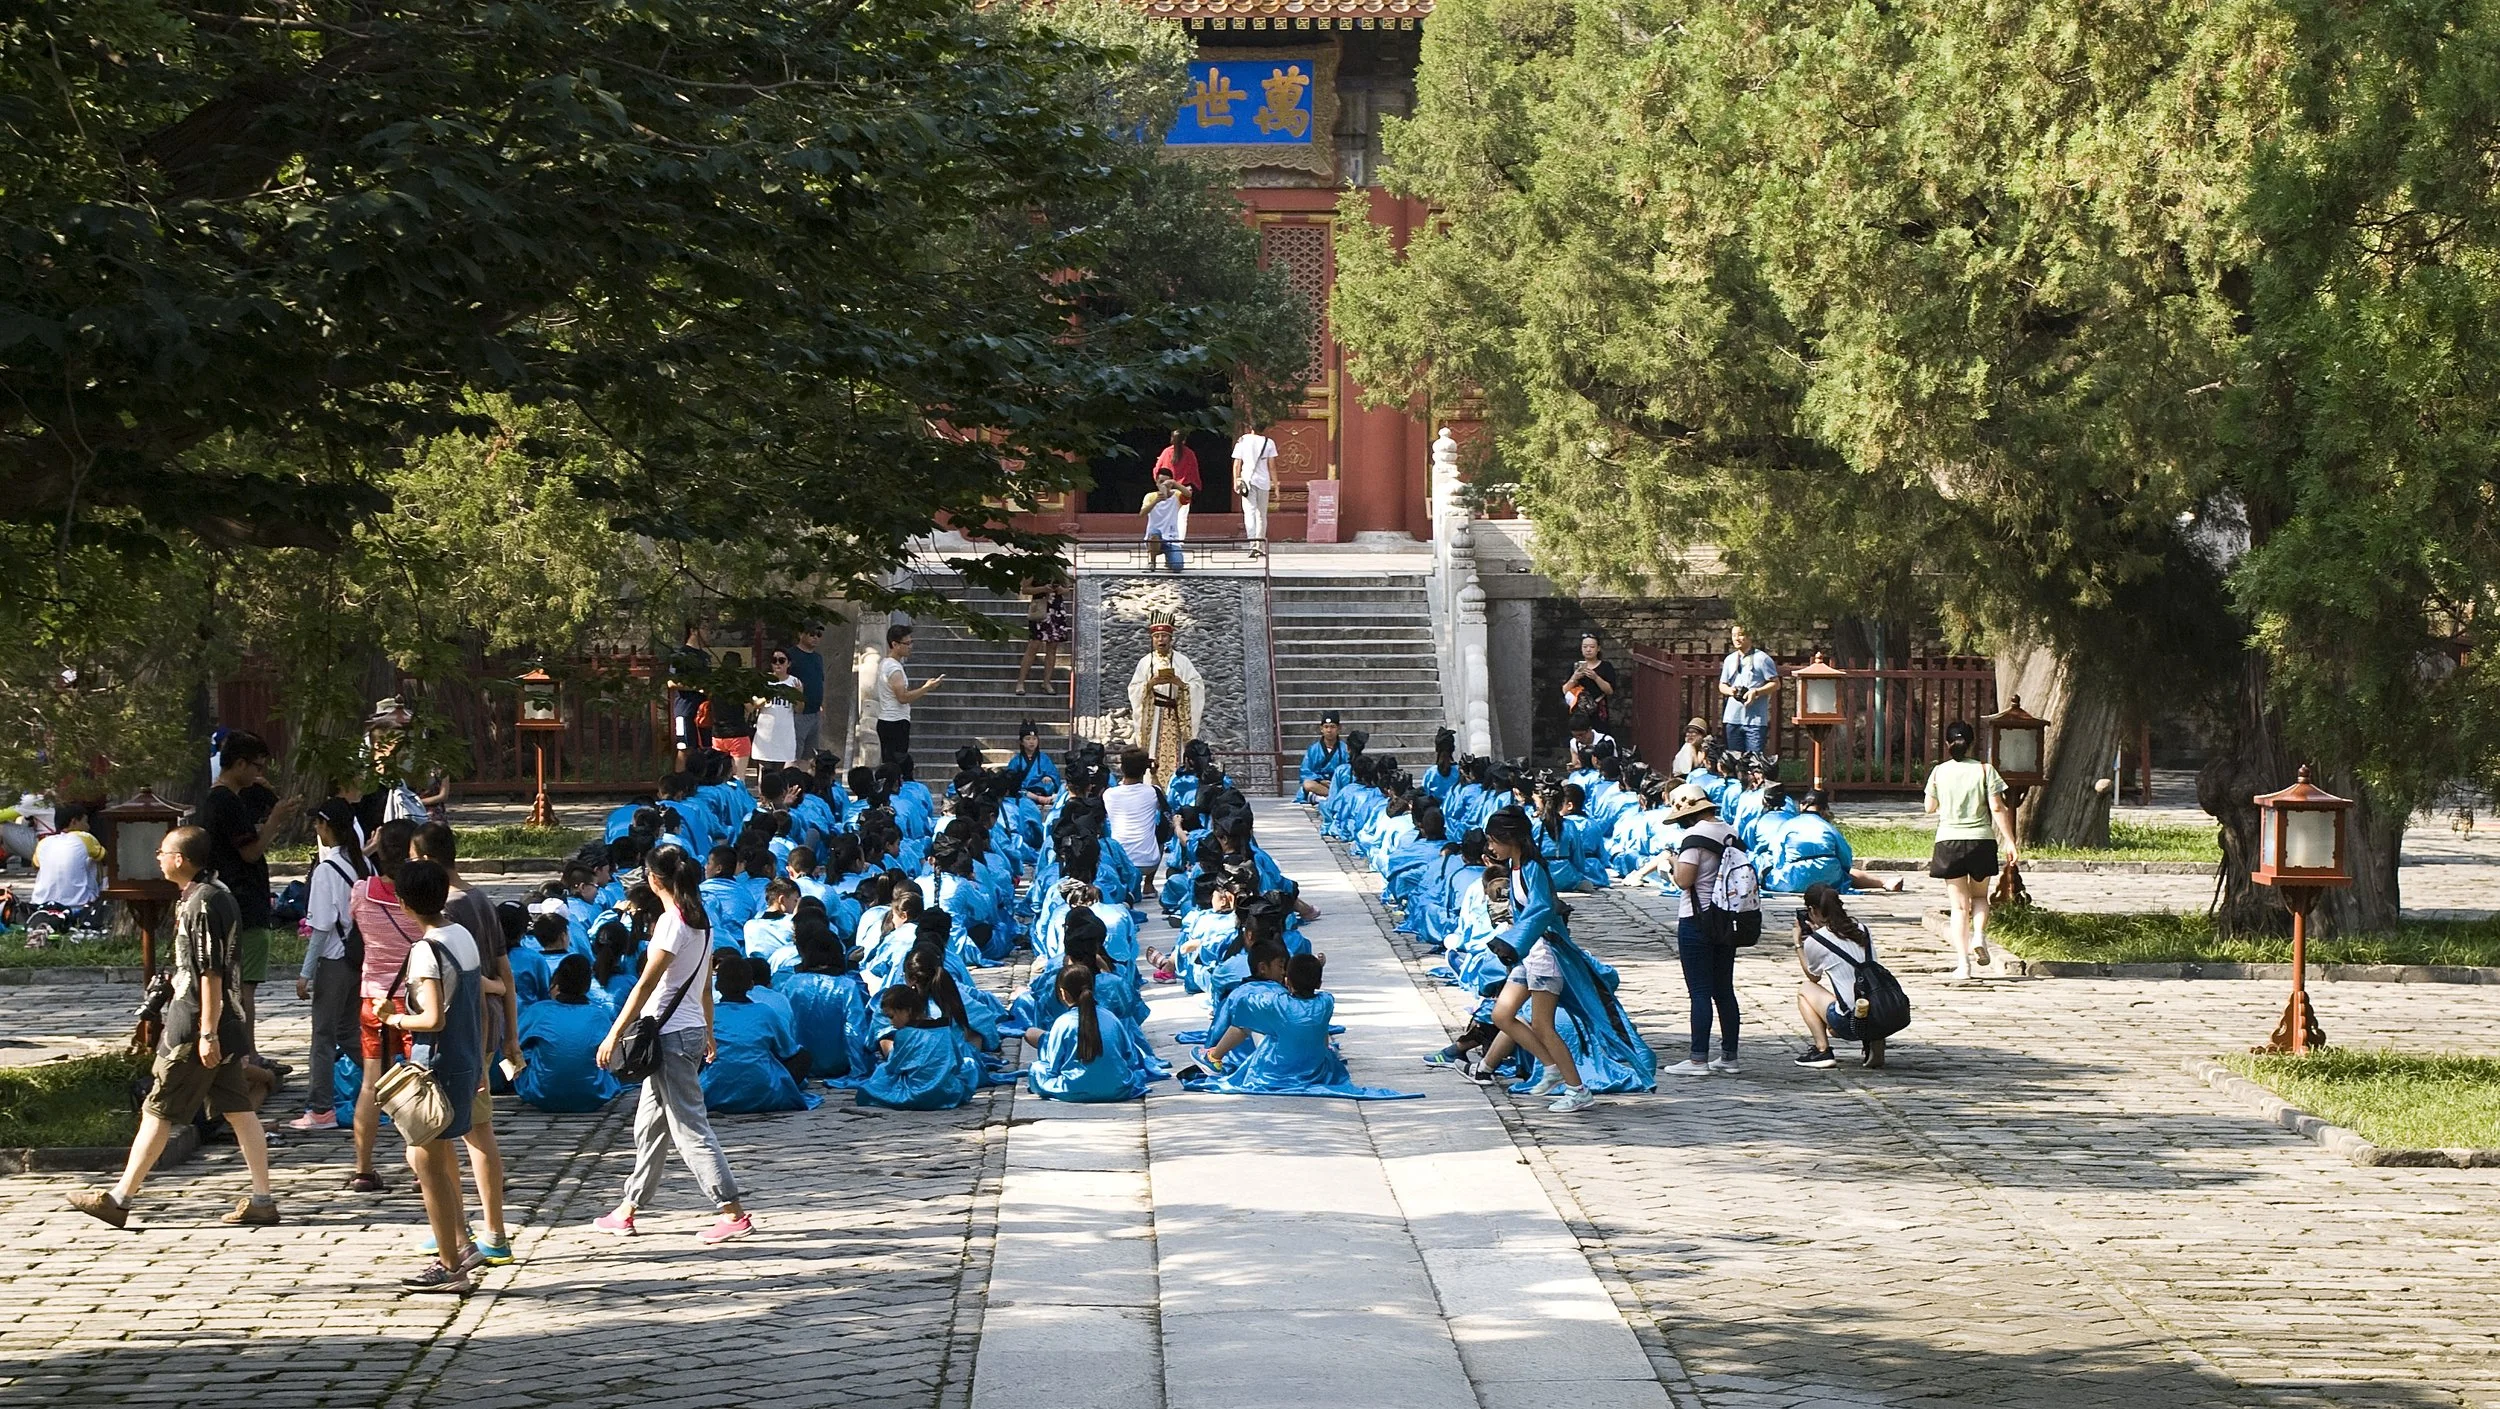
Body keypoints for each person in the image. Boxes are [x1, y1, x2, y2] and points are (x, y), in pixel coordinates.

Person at [69, 826, 279, 1230]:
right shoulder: (212, 895)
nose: (158, 858)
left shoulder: (202, 903)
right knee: (238, 1109)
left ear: (180, 859)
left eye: (163, 852)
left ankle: (119, 1197)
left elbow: (210, 973)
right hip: (222, 1020)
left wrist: (207, 1032)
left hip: (197, 1024)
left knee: (158, 1108)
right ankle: (262, 1198)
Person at [591, 844, 754, 1244]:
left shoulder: (671, 923)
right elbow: (703, 987)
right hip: (687, 1031)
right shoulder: (701, 922)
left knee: (689, 1127)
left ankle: (731, 1211)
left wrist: (614, 1032)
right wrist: (709, 1032)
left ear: (654, 879)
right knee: (649, 1126)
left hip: (671, 1035)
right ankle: (629, 1207)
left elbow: (646, 984)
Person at [376, 858, 487, 1294]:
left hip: (435, 1061)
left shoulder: (426, 949)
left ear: (403, 904)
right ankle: (462, 1244)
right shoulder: (461, 935)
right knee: (440, 1158)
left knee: (428, 1164)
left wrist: (395, 1018)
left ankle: (449, 1264)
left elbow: (433, 1017)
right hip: (464, 1057)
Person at [1480, 810, 1598, 1112]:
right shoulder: (1516, 866)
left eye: (1494, 841)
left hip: (1544, 954)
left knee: (1543, 1025)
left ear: (1511, 839)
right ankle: (1551, 1066)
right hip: (1528, 953)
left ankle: (1578, 1089)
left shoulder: (1532, 868)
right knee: (1502, 1014)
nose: (1491, 848)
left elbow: (1542, 910)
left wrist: (1512, 941)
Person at [196, 730, 298, 1046]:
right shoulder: (226, 801)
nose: (258, 774)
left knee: (237, 985)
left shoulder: (227, 799)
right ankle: (247, 1053)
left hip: (232, 898)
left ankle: (242, 1053)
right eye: (256, 767)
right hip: (244, 901)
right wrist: (275, 821)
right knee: (244, 987)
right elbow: (250, 851)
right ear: (239, 764)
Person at [288, 800, 364, 1132]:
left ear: (326, 826)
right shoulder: (364, 866)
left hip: (334, 959)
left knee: (323, 1035)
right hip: (360, 958)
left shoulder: (325, 870)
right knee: (349, 1032)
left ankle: (321, 1108)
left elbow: (321, 926)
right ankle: (394, 1079)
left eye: (318, 823)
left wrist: (306, 972)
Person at [1925, 720, 2019, 980]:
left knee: (1958, 907)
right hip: (1981, 842)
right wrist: (2010, 841)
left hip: (1948, 841)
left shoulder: (1938, 772)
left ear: (1947, 744)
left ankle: (1963, 964)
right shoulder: (1985, 770)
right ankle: (1979, 935)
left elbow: (1928, 807)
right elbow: (1998, 808)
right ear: (1972, 742)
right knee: (1979, 898)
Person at [1663, 782, 1743, 1076]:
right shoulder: (1730, 831)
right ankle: (1730, 1056)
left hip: (1697, 918)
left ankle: (1698, 1059)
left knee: (1699, 990)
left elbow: (1685, 880)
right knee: (1724, 989)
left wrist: (1672, 861)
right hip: (1727, 918)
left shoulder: (1693, 837)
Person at [700, 948, 818, 1113]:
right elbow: (788, 1052)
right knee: (804, 1056)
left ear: (718, 986)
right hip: (764, 1091)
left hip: (713, 1091)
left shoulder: (708, 1014)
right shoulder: (765, 1012)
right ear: (751, 984)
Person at [1793, 883, 1886, 1070]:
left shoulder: (1816, 940)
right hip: (1881, 1013)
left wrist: (1798, 944)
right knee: (1859, 993)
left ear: (1811, 910)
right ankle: (1874, 1039)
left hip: (1850, 1022)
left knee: (1805, 989)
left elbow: (1814, 977)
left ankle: (1822, 1050)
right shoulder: (1862, 929)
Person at [1025, 965, 1152, 1103]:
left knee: (1037, 1068)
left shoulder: (1062, 1022)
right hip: (1117, 1089)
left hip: (1073, 1089)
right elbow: (1129, 1057)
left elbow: (1054, 1065)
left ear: (1063, 993)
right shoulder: (1112, 1018)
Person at [516, 955, 626, 1111]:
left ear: (557, 982)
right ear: (587, 985)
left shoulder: (538, 1011)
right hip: (594, 1094)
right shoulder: (598, 1015)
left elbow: (514, 1044)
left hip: (541, 1093)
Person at [855, 982, 982, 1111]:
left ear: (907, 1011)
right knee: (969, 1066)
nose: (890, 1022)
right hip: (947, 1093)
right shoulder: (944, 1028)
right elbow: (958, 1061)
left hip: (917, 1094)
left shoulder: (904, 1034)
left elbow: (894, 1066)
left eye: (892, 1016)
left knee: (879, 1074)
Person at [1762, 789, 1905, 894]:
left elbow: (1777, 854)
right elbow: (1846, 858)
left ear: (1801, 805)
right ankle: (1884, 883)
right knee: (1848, 875)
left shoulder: (1788, 825)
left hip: (1793, 878)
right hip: (1829, 877)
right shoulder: (1829, 828)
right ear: (1824, 810)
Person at [1126, 613, 1204, 782]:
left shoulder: (1182, 662)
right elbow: (1134, 689)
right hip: (1154, 716)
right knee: (1153, 752)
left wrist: (1181, 684)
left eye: (1164, 636)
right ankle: (1151, 786)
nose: (1160, 640)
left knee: (1177, 754)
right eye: (1156, 636)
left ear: (1171, 638)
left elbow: (1197, 685)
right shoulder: (1145, 662)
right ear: (1152, 639)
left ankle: (1176, 785)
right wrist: (1150, 684)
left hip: (1175, 715)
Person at [27, 802, 105, 929]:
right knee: (96, 859)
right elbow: (107, 859)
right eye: (85, 822)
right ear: (74, 822)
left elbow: (36, 865)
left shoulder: (44, 842)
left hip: (41, 906)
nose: (89, 826)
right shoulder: (85, 838)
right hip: (77, 907)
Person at [873, 624, 943, 764]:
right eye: (907, 643)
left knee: (892, 764)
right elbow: (903, 697)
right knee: (895, 765)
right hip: (895, 722)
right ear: (895, 644)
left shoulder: (887, 664)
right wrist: (926, 688)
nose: (910, 646)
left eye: (911, 642)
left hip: (890, 720)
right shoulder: (893, 668)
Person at [1103, 748, 1165, 899]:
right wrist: (1154, 774)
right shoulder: (1153, 792)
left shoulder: (1109, 794)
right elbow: (1165, 804)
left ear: (1122, 768)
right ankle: (1148, 884)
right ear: (1145, 770)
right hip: (1148, 862)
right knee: (1160, 833)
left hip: (1119, 862)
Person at [1717, 625, 1780, 755]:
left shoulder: (1762, 659)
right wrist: (1731, 691)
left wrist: (1755, 692)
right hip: (1732, 718)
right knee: (1733, 761)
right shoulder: (1729, 660)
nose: (1736, 638)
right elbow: (1722, 685)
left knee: (1754, 762)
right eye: (1734, 635)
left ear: (1750, 636)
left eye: (1740, 634)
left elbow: (1775, 684)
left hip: (1755, 721)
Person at [750, 649, 803, 782]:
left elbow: (799, 709)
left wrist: (798, 695)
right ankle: (763, 799)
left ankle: (776, 799)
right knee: (764, 770)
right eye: (774, 661)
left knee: (780, 773)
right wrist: (768, 696)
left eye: (782, 660)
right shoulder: (765, 681)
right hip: (766, 733)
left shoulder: (794, 682)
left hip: (784, 734)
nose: (778, 664)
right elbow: (755, 704)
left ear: (788, 663)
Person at [1016, 577, 1071, 696]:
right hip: (1040, 609)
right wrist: (1042, 588)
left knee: (1052, 647)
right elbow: (1025, 589)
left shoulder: (1058, 569)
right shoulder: (1035, 568)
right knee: (1033, 645)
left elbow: (1067, 588)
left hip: (1056, 609)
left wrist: (1062, 589)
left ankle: (1046, 682)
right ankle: (1020, 682)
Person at [668, 622, 711, 769]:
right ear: (694, 630)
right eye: (705, 629)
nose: (709, 633)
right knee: (685, 748)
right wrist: (696, 688)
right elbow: (672, 682)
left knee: (704, 749)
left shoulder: (705, 657)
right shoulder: (680, 655)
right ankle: (679, 783)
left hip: (704, 712)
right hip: (685, 709)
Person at [1232, 419, 1277, 546]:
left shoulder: (1242, 440)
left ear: (1251, 427)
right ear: (1264, 429)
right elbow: (1272, 466)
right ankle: (1259, 543)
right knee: (1261, 514)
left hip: (1247, 480)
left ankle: (1252, 542)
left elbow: (1237, 464)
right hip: (1263, 481)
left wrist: (1236, 480)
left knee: (1249, 512)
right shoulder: (1269, 443)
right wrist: (1276, 485)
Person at [786, 625, 827, 762]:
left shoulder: (818, 657)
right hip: (798, 713)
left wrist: (821, 704)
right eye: (811, 634)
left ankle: (804, 781)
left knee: (809, 756)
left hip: (815, 712)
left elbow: (820, 681)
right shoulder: (791, 655)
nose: (815, 637)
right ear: (800, 634)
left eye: (818, 635)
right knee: (794, 753)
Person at [1562, 632, 1619, 730]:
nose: (1588, 650)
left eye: (1592, 647)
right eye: (1585, 647)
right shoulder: (1574, 666)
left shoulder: (1606, 666)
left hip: (1598, 709)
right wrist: (1574, 678)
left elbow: (1610, 690)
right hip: (1578, 710)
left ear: (1598, 648)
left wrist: (1596, 677)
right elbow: (1565, 690)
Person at [1154, 429, 1203, 539]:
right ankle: (1179, 542)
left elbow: (1157, 470)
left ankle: (1166, 538)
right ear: (1184, 440)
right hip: (1184, 489)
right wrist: (1197, 485)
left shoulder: (1166, 452)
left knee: (1167, 516)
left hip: (1168, 489)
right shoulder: (1190, 453)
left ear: (1171, 439)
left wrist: (1159, 483)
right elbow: (1194, 472)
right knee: (1182, 517)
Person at [1297, 712, 1347, 804]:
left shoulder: (1345, 749)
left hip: (1337, 784)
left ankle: (1322, 798)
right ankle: (1334, 798)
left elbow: (1348, 771)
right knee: (1308, 784)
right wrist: (1320, 780)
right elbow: (1305, 771)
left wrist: (1335, 782)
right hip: (1319, 784)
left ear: (1339, 728)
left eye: (1332, 727)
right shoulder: (1313, 749)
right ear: (1321, 729)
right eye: (1326, 727)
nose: (1329, 730)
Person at [1142, 476, 1186, 573]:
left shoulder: (1177, 495)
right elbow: (1142, 513)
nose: (1163, 484)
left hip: (1171, 537)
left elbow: (1188, 495)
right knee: (1154, 533)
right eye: (1161, 482)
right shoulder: (1150, 496)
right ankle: (1152, 562)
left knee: (1177, 566)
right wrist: (1156, 501)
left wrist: (1175, 483)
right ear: (1156, 483)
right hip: (1155, 537)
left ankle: (1169, 560)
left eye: (1166, 482)